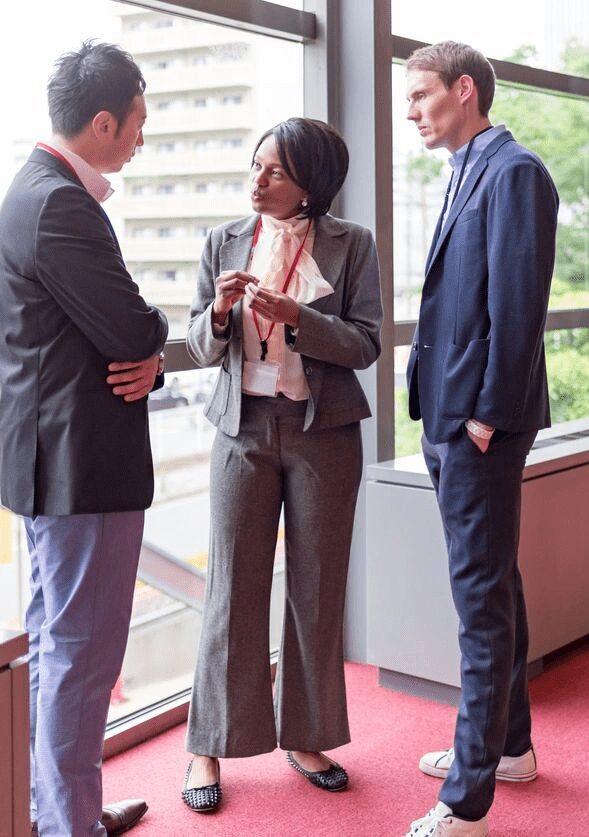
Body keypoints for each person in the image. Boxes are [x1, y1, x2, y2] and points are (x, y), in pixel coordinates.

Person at [181, 117, 382, 812]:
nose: (257, 181)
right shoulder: (223, 241)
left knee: (317, 590)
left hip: (321, 431)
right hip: (241, 430)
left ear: (311, 183)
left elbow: (366, 345)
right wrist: (216, 313)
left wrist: (299, 315)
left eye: (274, 171)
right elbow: (196, 345)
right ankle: (206, 743)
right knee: (231, 590)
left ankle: (308, 735)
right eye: (255, 166)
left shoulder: (352, 244)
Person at [0, 41, 168, 837]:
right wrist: (155, 341)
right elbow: (132, 324)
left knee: (61, 652)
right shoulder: (61, 204)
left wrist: (147, 354)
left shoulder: (33, 191)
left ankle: (59, 810)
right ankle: (68, 824)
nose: (143, 132)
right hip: (80, 471)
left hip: (53, 466)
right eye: (138, 118)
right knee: (80, 658)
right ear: (103, 121)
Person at [403, 41, 559, 837]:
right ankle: (511, 746)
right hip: (449, 418)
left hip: (479, 426)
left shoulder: (514, 171)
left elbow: (519, 305)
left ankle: (467, 799)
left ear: (465, 90)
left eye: (422, 94)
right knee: (494, 581)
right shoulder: (469, 170)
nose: (411, 109)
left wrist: (486, 416)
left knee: (479, 602)